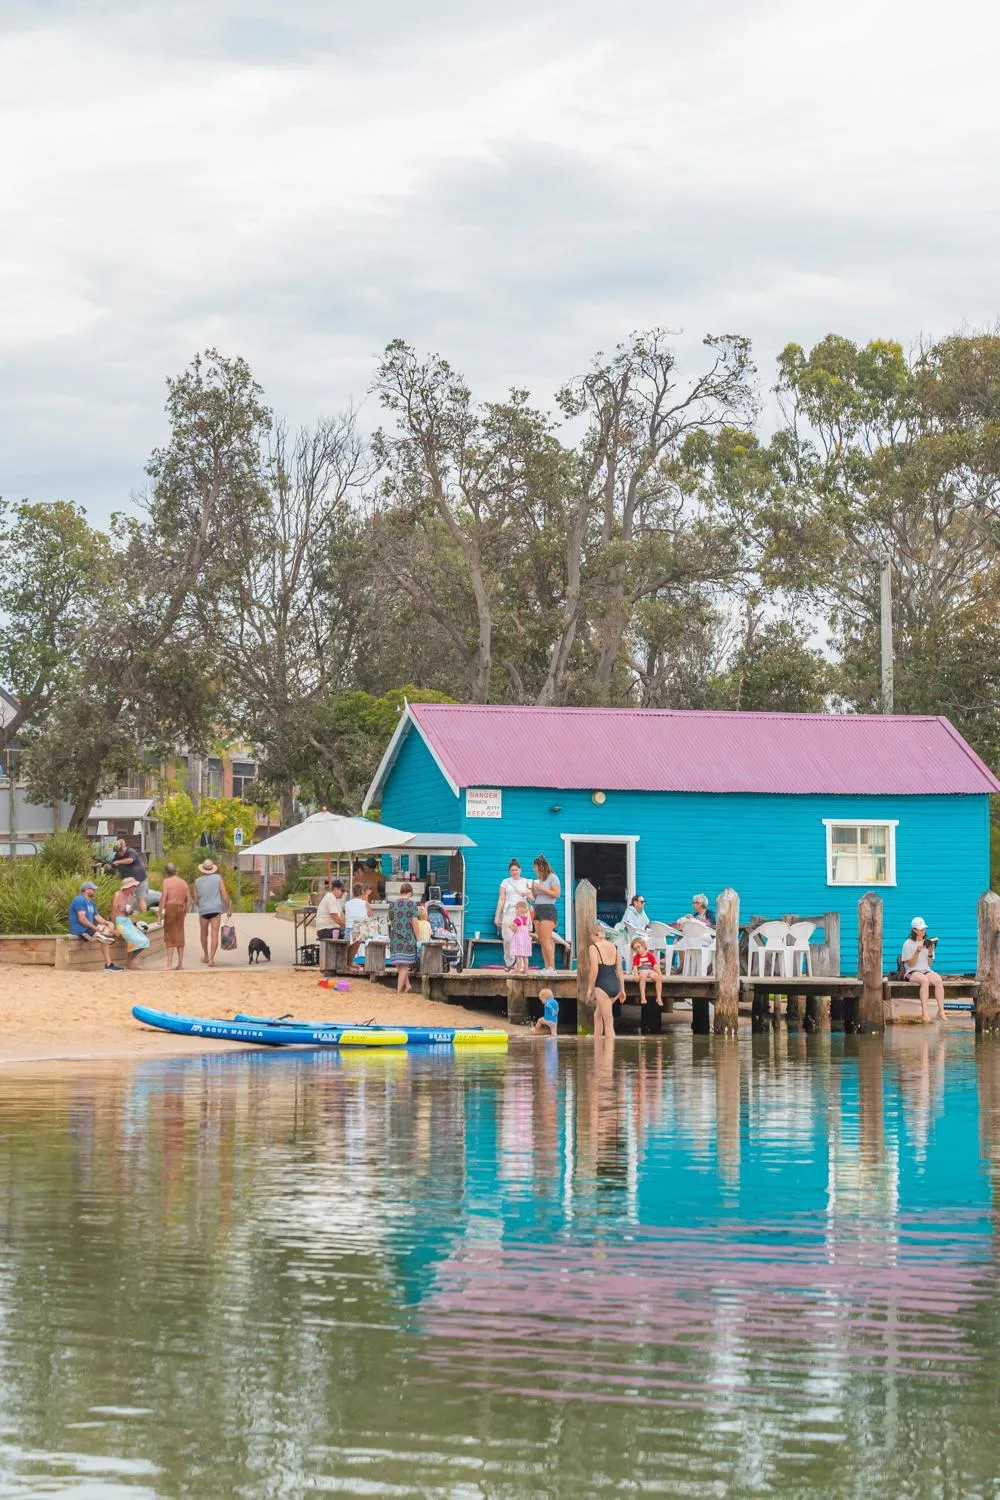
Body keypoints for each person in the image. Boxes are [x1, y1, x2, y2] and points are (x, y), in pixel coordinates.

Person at [68, 879, 121, 971]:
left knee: (106, 934)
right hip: (81, 930)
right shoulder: (79, 900)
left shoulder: (91, 902)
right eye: (93, 889)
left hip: (89, 929)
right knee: (104, 937)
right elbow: (82, 919)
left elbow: (96, 916)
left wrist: (108, 923)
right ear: (86, 889)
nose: (95, 891)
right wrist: (95, 928)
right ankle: (108, 963)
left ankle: (109, 964)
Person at [901, 916, 945, 1022]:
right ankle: (924, 1013)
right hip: (911, 971)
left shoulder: (928, 942)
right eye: (921, 929)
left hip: (925, 970)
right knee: (924, 980)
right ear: (914, 930)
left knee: (938, 980)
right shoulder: (908, 943)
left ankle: (941, 1011)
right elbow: (910, 964)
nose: (923, 931)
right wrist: (917, 952)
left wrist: (930, 952)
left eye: (924, 929)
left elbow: (929, 964)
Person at [589, 922, 625, 1039]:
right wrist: (622, 990)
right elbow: (620, 970)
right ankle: (597, 1048)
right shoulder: (614, 946)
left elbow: (594, 970)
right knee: (597, 1015)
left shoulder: (593, 947)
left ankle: (609, 1055)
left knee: (608, 1023)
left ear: (593, 935)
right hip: (615, 985)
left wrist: (590, 988)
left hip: (602, 986)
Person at [494, 858, 532, 969]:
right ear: (509, 871)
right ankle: (509, 962)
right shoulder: (505, 882)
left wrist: (527, 895)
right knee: (508, 938)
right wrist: (497, 915)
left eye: (516, 869)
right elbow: (501, 899)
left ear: (520, 870)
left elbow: (532, 898)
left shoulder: (526, 882)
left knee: (522, 938)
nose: (514, 872)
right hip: (509, 911)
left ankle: (520, 966)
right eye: (512, 870)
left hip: (522, 912)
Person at [194, 859, 231, 968]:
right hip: (216, 910)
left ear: (202, 869)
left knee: (203, 934)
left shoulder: (197, 881)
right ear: (212, 869)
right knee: (214, 935)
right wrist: (228, 908)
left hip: (203, 911)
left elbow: (195, 899)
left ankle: (205, 955)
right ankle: (211, 959)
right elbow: (224, 893)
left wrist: (200, 905)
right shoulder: (218, 878)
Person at [387, 880, 421, 994]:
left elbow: (391, 922)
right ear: (410, 892)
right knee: (405, 966)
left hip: (395, 938)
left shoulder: (392, 904)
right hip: (407, 938)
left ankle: (408, 986)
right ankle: (398, 992)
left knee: (400, 964)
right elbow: (415, 923)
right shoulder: (412, 904)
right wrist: (419, 939)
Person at [111, 877, 150, 972]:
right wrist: (114, 927)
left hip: (127, 921)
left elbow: (129, 913)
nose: (135, 888)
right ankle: (129, 962)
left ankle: (130, 961)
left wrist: (130, 911)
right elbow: (114, 911)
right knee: (133, 939)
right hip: (119, 921)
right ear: (128, 887)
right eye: (133, 886)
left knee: (145, 941)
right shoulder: (117, 895)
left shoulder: (130, 897)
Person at [530, 855, 561, 972]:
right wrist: (532, 891)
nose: (534, 869)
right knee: (541, 939)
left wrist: (541, 889)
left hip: (548, 909)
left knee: (547, 939)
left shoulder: (553, 878)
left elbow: (556, 894)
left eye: (535, 867)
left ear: (541, 867)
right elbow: (534, 897)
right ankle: (547, 966)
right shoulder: (540, 880)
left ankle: (552, 968)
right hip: (538, 908)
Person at [160, 862, 192, 971]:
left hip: (170, 907)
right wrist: (185, 910)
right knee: (179, 934)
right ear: (176, 871)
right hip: (180, 908)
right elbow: (189, 899)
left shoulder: (166, 882)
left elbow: (164, 897)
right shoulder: (183, 882)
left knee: (169, 935)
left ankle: (169, 964)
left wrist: (160, 913)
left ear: (166, 872)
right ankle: (180, 964)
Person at [107, 838, 148, 907]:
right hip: (128, 881)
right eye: (117, 851)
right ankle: (128, 915)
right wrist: (105, 865)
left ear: (123, 847)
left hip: (139, 878)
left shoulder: (131, 851)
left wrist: (119, 862)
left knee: (140, 898)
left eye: (120, 851)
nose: (119, 853)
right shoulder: (117, 855)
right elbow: (112, 864)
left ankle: (143, 915)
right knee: (128, 898)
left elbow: (130, 860)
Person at [631, 935, 663, 1007]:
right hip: (641, 971)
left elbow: (654, 965)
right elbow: (635, 966)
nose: (637, 950)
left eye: (638, 947)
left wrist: (659, 973)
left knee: (658, 978)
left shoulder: (650, 955)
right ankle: (643, 996)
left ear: (643, 946)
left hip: (650, 970)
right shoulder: (636, 957)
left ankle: (659, 997)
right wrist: (636, 974)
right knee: (643, 976)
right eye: (635, 949)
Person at [510, 900, 534, 975]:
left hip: (518, 939)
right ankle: (526, 970)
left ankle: (518, 969)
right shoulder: (527, 919)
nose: (515, 911)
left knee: (518, 955)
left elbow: (515, 929)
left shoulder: (517, 919)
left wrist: (510, 926)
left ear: (518, 909)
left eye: (516, 909)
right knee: (525, 955)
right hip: (526, 939)